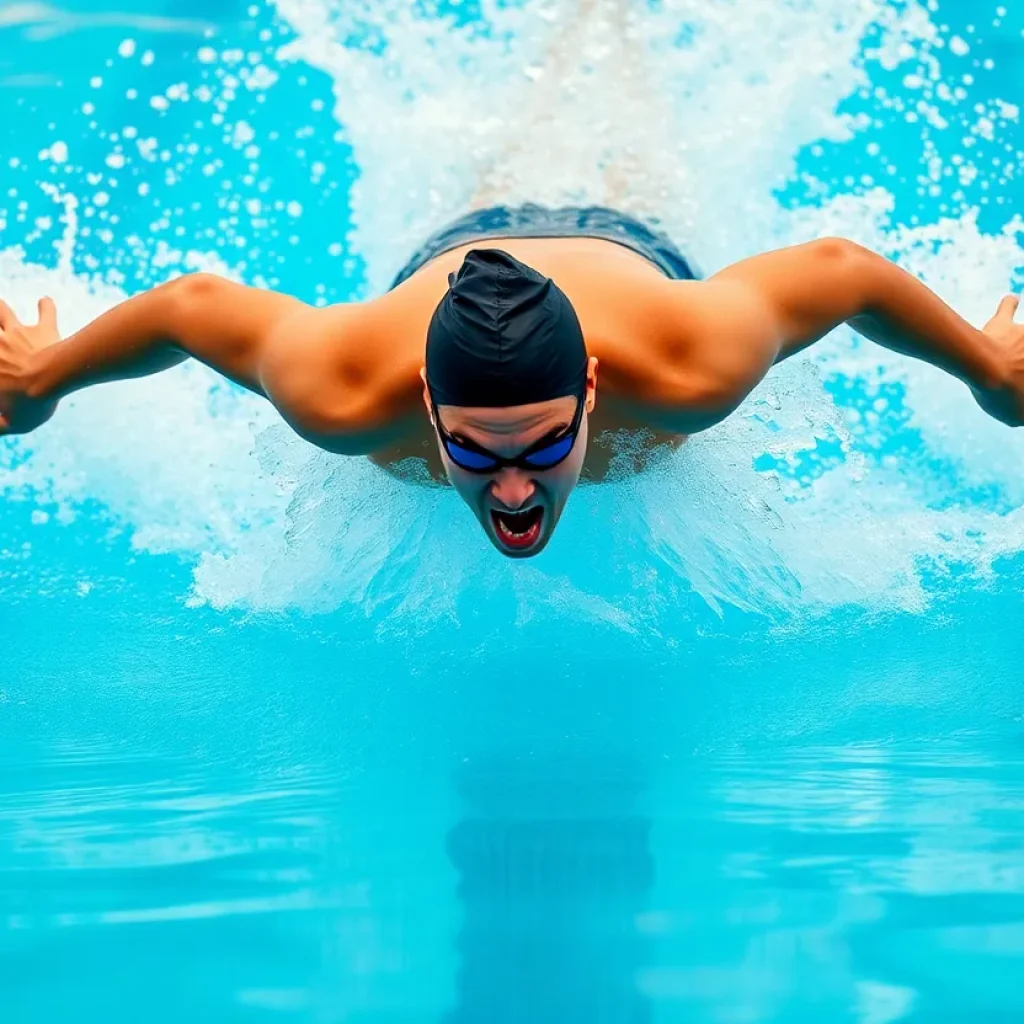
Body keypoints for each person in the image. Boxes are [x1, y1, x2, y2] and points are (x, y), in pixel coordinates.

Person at [1, 201, 1023, 557]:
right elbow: (189, 306)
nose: (515, 488)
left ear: (590, 385)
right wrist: (40, 380)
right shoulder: (345, 397)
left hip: (628, 249)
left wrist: (986, 370)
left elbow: (842, 271)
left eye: (541, 443)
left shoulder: (685, 367)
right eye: (473, 451)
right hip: (448, 251)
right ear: (422, 399)